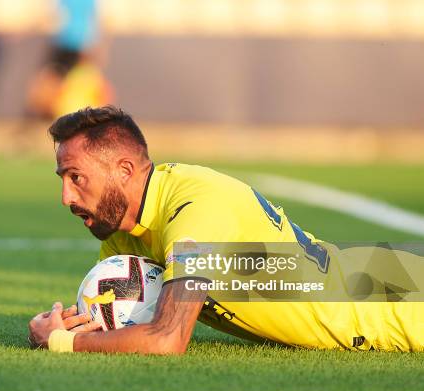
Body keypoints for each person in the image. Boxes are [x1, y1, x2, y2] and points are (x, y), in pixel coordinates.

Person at [28, 106, 424, 353]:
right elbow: (111, 318)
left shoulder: (194, 213)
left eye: (76, 177)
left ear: (125, 171)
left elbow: (167, 339)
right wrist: (68, 323)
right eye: (62, 178)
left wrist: (64, 342)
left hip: (401, 304)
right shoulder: (122, 229)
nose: (65, 196)